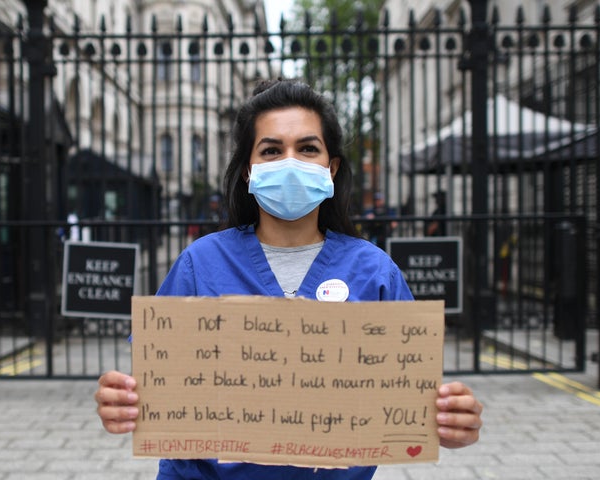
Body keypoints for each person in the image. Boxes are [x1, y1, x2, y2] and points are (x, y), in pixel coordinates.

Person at [95, 79, 483, 480]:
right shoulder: (199, 263)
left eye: (308, 148)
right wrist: (122, 402)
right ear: (249, 170)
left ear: (331, 168)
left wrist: (452, 422)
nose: (290, 162)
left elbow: (413, 403)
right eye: (272, 151)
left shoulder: (375, 273)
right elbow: (154, 388)